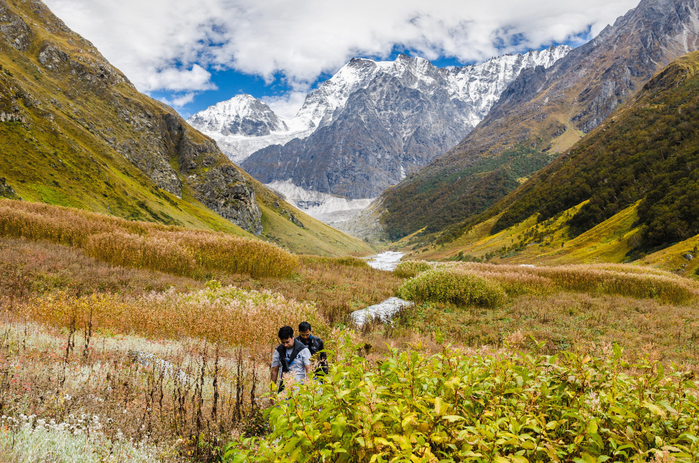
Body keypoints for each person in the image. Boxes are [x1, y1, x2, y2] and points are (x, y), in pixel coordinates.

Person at [270, 325, 311, 393]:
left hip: (299, 389)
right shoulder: (278, 351)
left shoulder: (303, 350)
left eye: (287, 342)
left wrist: (307, 388)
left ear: (293, 336)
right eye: (283, 342)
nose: (285, 345)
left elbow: (308, 370)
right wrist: (272, 391)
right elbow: (274, 370)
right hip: (284, 389)